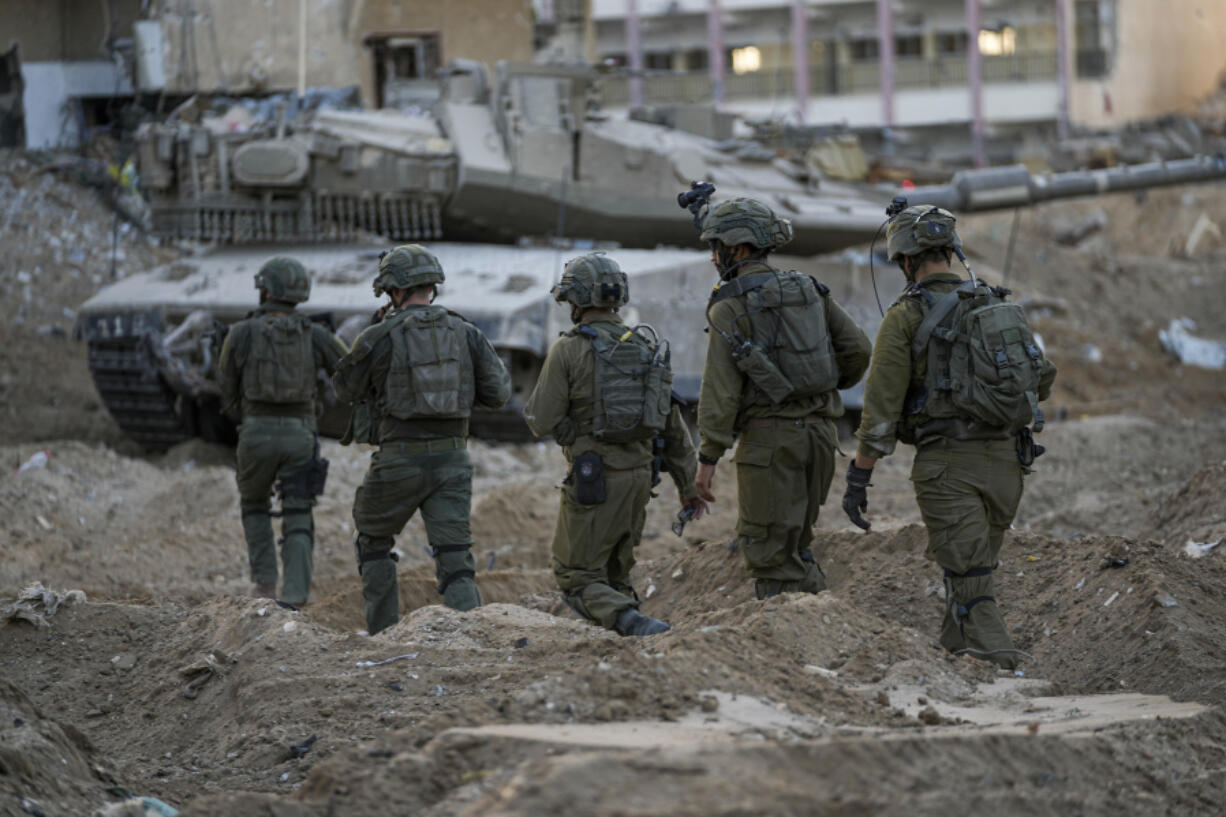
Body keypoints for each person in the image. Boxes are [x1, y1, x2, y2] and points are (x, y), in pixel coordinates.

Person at [845, 204, 1057, 669]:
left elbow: (880, 412)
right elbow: (1042, 378)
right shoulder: (997, 305)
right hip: (1007, 468)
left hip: (947, 470)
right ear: (951, 250)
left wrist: (859, 477)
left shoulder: (904, 317)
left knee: (972, 586)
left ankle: (1007, 671)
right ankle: (954, 657)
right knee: (970, 576)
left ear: (905, 261)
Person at [694, 198, 872, 599]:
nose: (713, 257)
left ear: (737, 249)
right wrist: (823, 387)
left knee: (772, 558)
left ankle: (796, 645)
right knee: (797, 546)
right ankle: (819, 624)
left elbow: (719, 392)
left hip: (769, 446)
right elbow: (859, 349)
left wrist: (708, 459)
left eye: (717, 247)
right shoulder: (808, 289)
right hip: (821, 439)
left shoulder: (729, 306)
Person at [524, 252, 706, 637]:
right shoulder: (644, 345)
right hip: (641, 478)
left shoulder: (570, 349)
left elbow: (540, 419)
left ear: (576, 301)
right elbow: (672, 428)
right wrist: (689, 487)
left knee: (577, 577)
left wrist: (571, 428)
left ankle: (638, 626)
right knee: (615, 574)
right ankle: (629, 647)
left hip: (594, 480)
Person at [332, 244, 511, 636]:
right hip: (453, 460)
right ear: (433, 286)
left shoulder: (380, 334)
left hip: (397, 461)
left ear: (393, 290)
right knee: (454, 555)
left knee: (375, 542)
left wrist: (374, 332)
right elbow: (499, 393)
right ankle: (470, 634)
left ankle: (384, 634)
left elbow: (344, 389)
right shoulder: (466, 331)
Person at [218, 256, 348, 607]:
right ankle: (295, 596)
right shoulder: (317, 334)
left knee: (254, 504)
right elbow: (350, 370)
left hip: (256, 432)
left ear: (266, 290)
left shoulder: (241, 333)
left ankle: (263, 586)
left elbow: (226, 389)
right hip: (301, 434)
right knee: (298, 512)